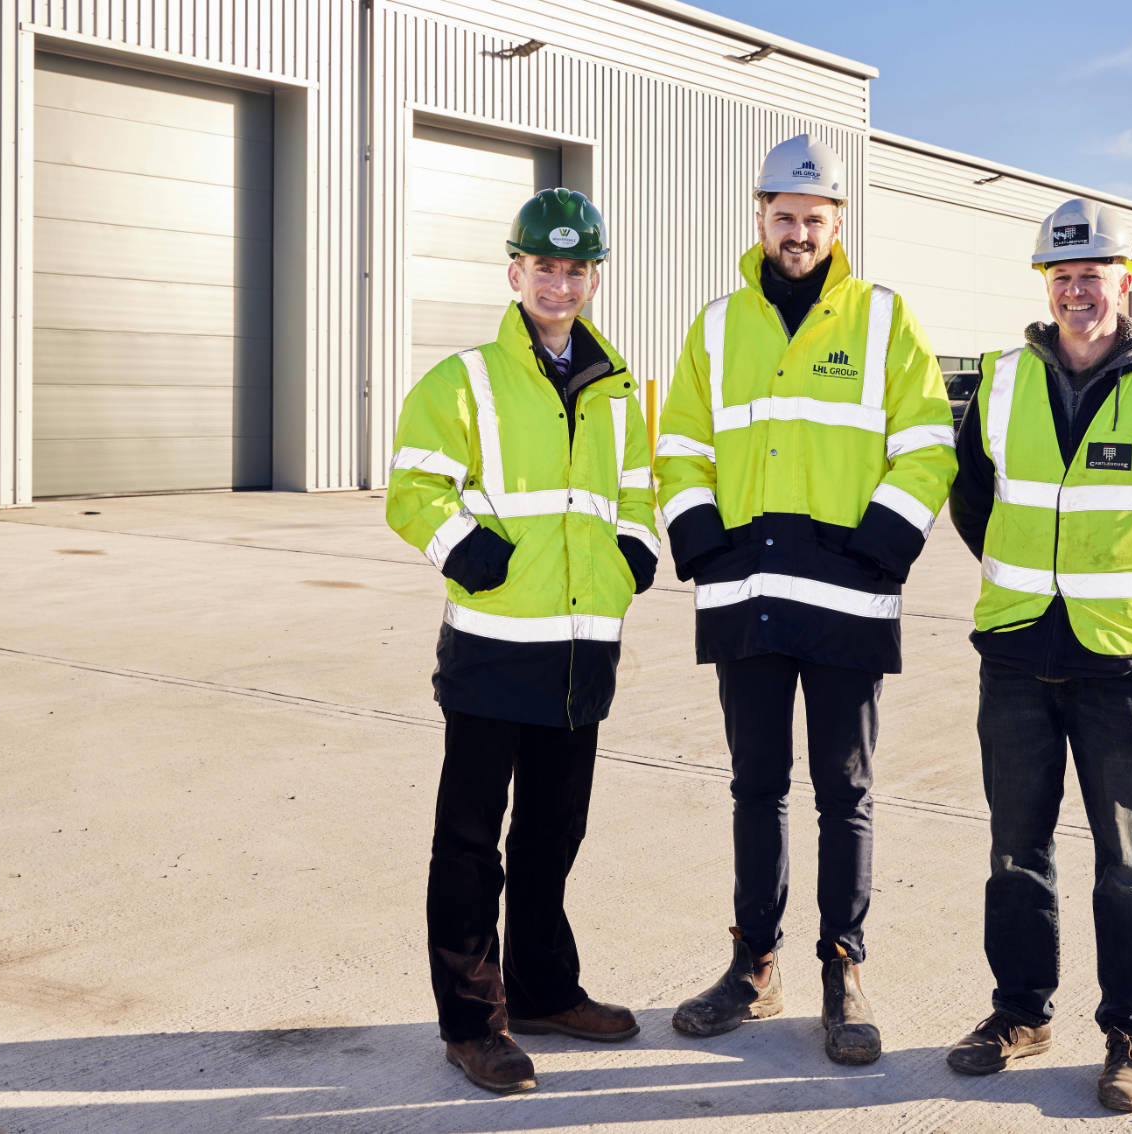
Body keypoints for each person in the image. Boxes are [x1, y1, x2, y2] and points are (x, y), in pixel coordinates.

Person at [653, 135, 957, 1066]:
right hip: (746, 595)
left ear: (837, 225)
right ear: (759, 217)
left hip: (846, 600)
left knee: (845, 792)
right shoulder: (715, 326)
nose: (796, 233)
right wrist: (700, 538)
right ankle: (753, 965)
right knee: (756, 788)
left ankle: (842, 970)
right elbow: (678, 444)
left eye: (812, 220)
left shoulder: (884, 321)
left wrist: (885, 542)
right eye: (782, 217)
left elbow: (930, 442)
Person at [944, 198, 1132, 1111]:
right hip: (1017, 654)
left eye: (1094, 275)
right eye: (1062, 276)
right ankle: (1022, 1013)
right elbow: (972, 502)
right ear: (1047, 284)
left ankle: (1131, 1032)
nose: (1078, 292)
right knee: (1015, 849)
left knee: (1128, 856)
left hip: (1122, 666)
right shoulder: (999, 382)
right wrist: (1032, 588)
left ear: (1126, 282)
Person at [385, 188, 659, 1095]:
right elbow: (414, 489)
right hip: (496, 647)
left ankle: (544, 989)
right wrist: (471, 551)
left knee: (553, 833)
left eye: (577, 269)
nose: (561, 283)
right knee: (470, 845)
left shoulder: (619, 389)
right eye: (545, 266)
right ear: (517, 272)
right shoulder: (463, 380)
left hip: (583, 650)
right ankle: (473, 1023)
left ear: (593, 280)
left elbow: (638, 490)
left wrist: (635, 551)